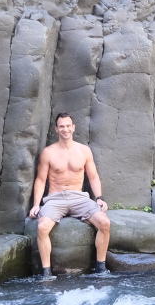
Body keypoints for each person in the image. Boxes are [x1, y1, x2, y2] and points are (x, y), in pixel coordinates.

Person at [29, 112, 111, 278]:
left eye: (68, 126)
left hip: (79, 198)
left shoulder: (84, 150)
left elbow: (93, 177)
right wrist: (36, 204)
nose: (65, 129)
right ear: (56, 129)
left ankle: (101, 269)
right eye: (61, 126)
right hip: (55, 199)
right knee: (42, 227)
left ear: (73, 128)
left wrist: (100, 198)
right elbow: (40, 180)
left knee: (104, 222)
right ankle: (47, 272)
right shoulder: (48, 152)